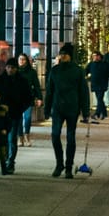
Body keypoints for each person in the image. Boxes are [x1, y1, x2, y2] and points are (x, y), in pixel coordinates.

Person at [45, 43, 90, 178]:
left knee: (71, 138)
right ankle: (59, 164)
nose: (63, 56)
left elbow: (83, 92)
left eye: (65, 54)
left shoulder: (77, 71)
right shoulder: (55, 71)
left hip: (72, 107)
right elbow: (49, 91)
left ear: (70, 56)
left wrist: (85, 111)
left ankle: (68, 166)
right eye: (61, 53)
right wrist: (47, 109)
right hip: (58, 107)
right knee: (55, 135)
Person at [0, 57, 31, 174]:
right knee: (3, 138)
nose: (10, 70)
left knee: (12, 138)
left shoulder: (22, 81)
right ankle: (5, 160)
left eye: (12, 68)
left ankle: (10, 161)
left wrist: (20, 109)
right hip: (1, 114)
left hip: (14, 114)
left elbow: (28, 98)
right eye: (8, 67)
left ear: (16, 69)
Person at [16, 53, 43, 146]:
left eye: (23, 59)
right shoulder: (15, 71)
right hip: (17, 98)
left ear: (26, 61)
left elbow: (36, 86)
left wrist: (39, 98)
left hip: (28, 98)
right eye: (20, 59)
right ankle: (20, 137)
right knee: (18, 118)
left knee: (27, 118)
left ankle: (27, 135)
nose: (21, 61)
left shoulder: (31, 72)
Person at [86, 51, 109, 120]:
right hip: (95, 84)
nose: (95, 57)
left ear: (100, 56)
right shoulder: (91, 64)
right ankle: (104, 113)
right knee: (99, 99)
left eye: (96, 56)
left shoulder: (105, 64)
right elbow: (85, 71)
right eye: (94, 56)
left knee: (99, 99)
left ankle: (97, 113)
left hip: (102, 84)